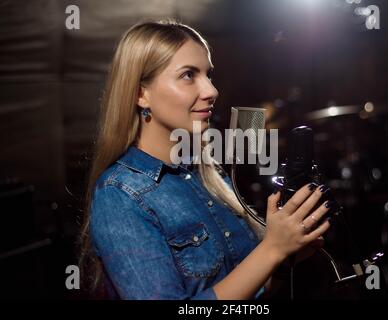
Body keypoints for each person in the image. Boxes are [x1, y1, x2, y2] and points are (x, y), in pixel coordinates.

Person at [78, 20, 331, 300]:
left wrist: (284, 261)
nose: (211, 91)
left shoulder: (205, 174)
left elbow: (246, 294)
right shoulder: (119, 195)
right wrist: (272, 250)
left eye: (208, 75)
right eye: (188, 75)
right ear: (141, 94)